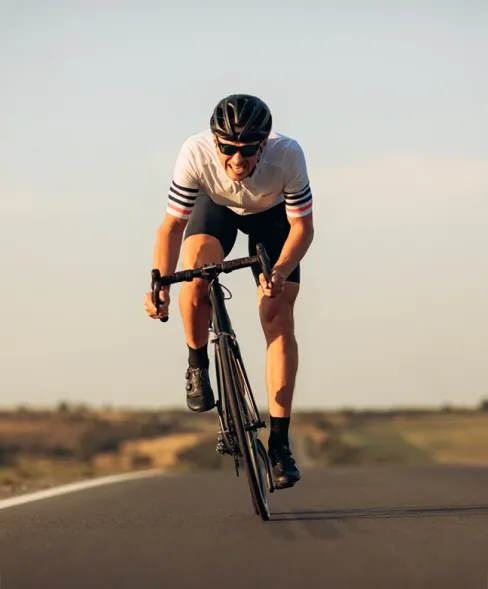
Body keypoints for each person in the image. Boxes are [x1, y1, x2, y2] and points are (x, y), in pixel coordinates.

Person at [144, 94, 314, 489]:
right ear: (214, 142)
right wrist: (158, 283)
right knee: (195, 274)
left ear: (264, 144)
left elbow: (302, 229)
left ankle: (280, 445)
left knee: (277, 312)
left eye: (248, 150)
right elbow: (170, 228)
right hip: (216, 207)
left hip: (273, 218)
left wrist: (281, 271)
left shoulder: (288, 156)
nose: (238, 161)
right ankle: (197, 364)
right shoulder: (195, 152)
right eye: (228, 149)